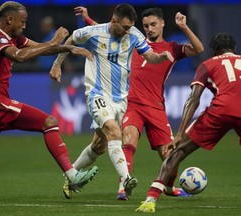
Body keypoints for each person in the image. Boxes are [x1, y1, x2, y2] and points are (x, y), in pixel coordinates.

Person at [0, 1, 98, 192]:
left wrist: (67, 49)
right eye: (22, 21)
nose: (24, 25)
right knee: (49, 122)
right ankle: (73, 176)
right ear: (9, 19)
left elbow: (40, 48)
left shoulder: (12, 37)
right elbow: (20, 56)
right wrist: (54, 41)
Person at [70, 6, 204, 200]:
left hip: (156, 106)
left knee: (168, 153)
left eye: (153, 25)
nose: (149, 29)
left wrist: (184, 27)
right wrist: (88, 20)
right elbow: (111, 30)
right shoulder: (132, 40)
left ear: (162, 23)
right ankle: (123, 186)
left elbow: (199, 49)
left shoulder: (172, 48)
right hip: (131, 103)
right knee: (129, 140)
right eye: (146, 25)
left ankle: (169, 188)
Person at [49, 4, 174, 200]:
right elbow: (72, 38)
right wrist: (57, 64)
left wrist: (160, 57)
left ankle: (71, 175)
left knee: (99, 145)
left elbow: (149, 56)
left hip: (121, 100)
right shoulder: (93, 33)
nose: (128, 31)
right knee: (115, 132)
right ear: (114, 21)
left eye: (130, 27)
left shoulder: (133, 34)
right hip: (97, 94)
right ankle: (126, 179)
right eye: (124, 27)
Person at [135, 32, 241, 213]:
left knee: (179, 151)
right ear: (235, 49)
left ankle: (151, 199)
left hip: (221, 110)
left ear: (213, 51)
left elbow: (193, 99)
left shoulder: (208, 64)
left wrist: (179, 135)